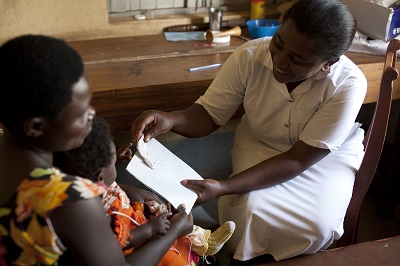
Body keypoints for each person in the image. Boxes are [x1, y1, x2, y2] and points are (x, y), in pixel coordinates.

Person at [131, 0, 367, 263]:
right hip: (260, 139)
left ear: (329, 63)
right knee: (249, 209)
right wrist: (172, 119)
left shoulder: (347, 85)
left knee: (316, 224)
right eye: (278, 42)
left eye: (298, 59)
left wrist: (224, 186)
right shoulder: (249, 56)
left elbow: (297, 159)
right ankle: (244, 259)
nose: (279, 59)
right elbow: (209, 114)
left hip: (320, 157)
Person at [0, 34, 193, 266]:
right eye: (80, 112)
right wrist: (174, 230)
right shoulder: (70, 200)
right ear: (36, 127)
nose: (91, 114)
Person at [54, 116, 236, 265]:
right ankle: (195, 250)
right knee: (173, 256)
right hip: (137, 240)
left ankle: (203, 241)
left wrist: (114, 160)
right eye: (111, 163)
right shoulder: (94, 217)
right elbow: (121, 241)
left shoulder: (80, 183)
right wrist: (155, 230)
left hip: (133, 219)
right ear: (100, 177)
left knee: (168, 214)